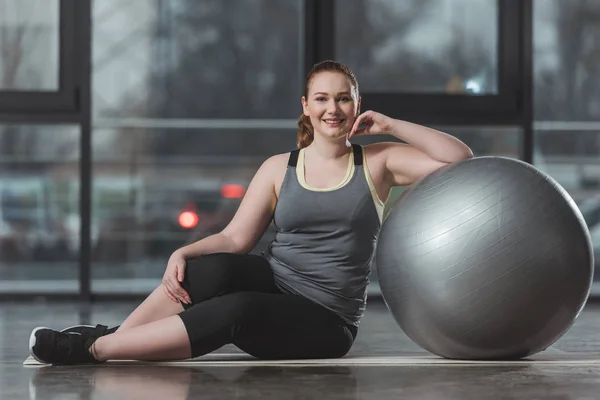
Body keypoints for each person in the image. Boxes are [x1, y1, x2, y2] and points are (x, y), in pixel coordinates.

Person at [28, 60, 473, 365]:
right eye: (321, 99)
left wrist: (391, 126)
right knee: (214, 269)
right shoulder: (280, 167)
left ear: (356, 105)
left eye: (343, 99)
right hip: (278, 281)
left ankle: (96, 350)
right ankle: (116, 334)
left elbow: (458, 157)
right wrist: (183, 252)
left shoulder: (379, 162)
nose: (332, 109)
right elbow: (235, 239)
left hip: (327, 320)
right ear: (305, 106)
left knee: (238, 308)